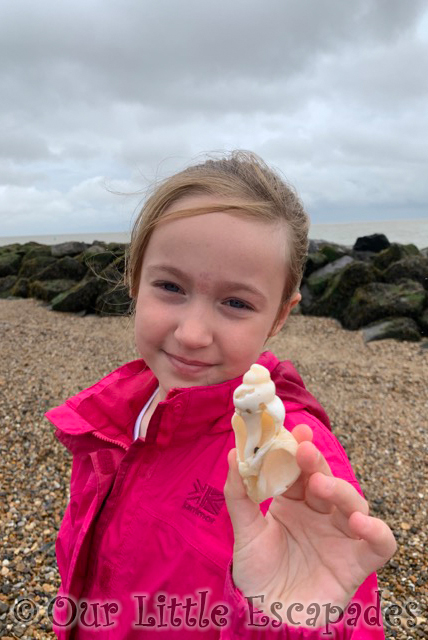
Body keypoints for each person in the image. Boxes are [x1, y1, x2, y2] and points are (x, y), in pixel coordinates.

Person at [45, 151, 396, 639]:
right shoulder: (117, 414)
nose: (191, 334)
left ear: (279, 316)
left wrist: (292, 623)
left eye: (236, 303)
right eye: (170, 286)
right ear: (134, 279)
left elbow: (338, 608)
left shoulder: (298, 462)